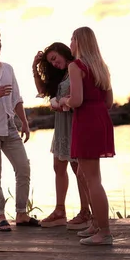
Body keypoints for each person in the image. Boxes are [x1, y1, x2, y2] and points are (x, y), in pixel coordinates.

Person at [0, 25, 40, 231]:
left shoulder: (8, 69)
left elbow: (16, 99)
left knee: (24, 168)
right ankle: (1, 216)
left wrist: (25, 122)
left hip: (10, 127)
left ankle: (21, 213)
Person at [60, 26, 115, 245]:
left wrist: (64, 101)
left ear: (79, 42)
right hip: (101, 119)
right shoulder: (102, 67)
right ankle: (96, 223)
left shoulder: (76, 66)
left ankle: (105, 232)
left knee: (93, 179)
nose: (70, 43)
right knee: (83, 172)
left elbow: (77, 100)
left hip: (86, 121)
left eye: (72, 39)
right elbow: (109, 102)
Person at [32, 42, 94, 230]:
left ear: (62, 52)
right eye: (50, 62)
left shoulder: (77, 67)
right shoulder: (61, 74)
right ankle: (60, 211)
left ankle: (86, 212)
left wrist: (60, 102)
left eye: (54, 59)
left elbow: (78, 97)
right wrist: (34, 70)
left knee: (78, 169)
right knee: (58, 166)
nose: (54, 63)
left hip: (75, 123)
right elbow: (43, 92)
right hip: (61, 125)